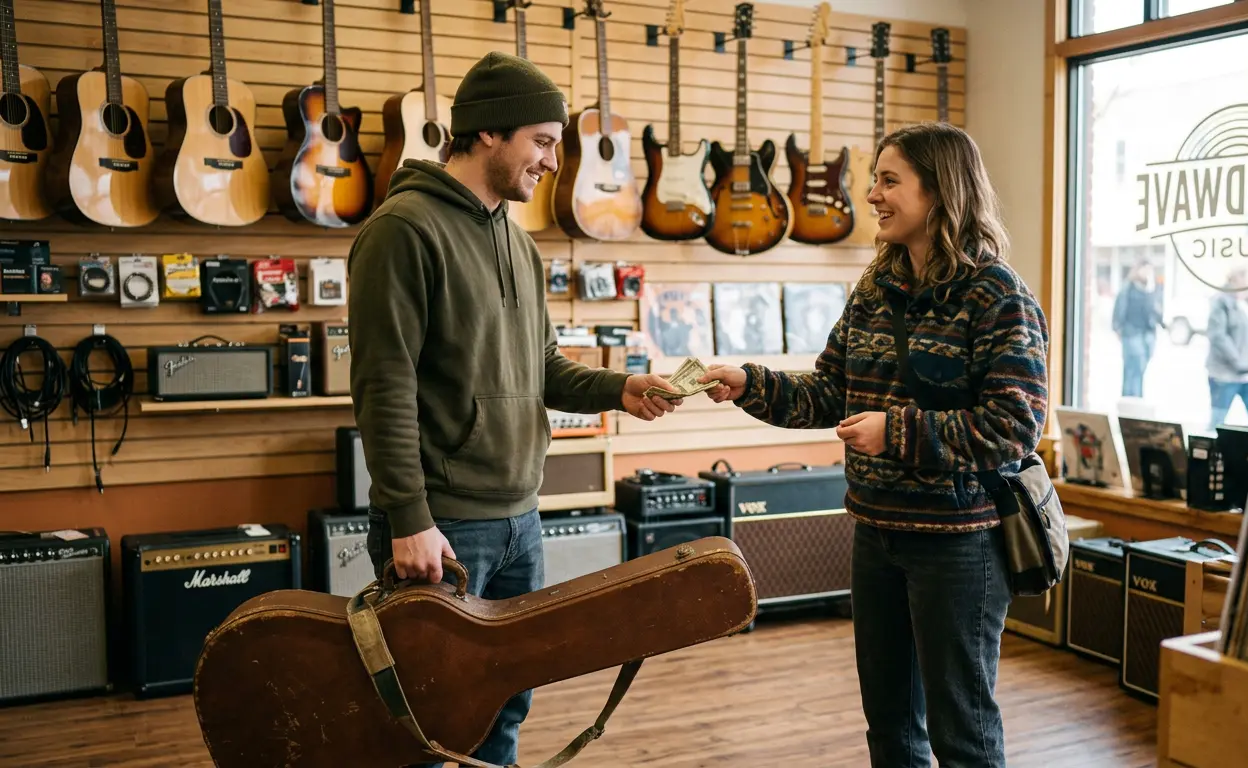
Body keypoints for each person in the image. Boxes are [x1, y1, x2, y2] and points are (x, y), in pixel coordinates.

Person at [346, 51, 680, 766]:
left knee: (506, 706)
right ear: (489, 132)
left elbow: (543, 368)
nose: (553, 162)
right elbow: (384, 387)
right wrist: (409, 518)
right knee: (427, 720)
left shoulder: (518, 241)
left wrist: (619, 389)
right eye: (542, 141)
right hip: (443, 526)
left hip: (521, 519)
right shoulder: (402, 230)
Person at [699, 122, 1049, 768]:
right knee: (889, 729)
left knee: (963, 738)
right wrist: (750, 383)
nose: (872, 195)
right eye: (874, 180)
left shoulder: (998, 296)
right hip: (875, 536)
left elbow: (1014, 426)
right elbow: (829, 392)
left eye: (889, 181)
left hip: (959, 547)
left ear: (939, 191)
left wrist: (896, 432)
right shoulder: (875, 286)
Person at [1205, 264, 1248, 428]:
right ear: (1239, 279)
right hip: (1226, 375)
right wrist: (1237, 361)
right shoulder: (1221, 301)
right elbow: (1217, 336)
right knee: (1217, 423)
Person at [1112, 259, 1162, 398]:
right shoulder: (1128, 288)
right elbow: (1119, 309)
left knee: (1140, 370)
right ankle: (1132, 399)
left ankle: (1135, 398)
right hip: (1132, 332)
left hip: (1148, 334)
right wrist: (1118, 328)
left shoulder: (1151, 289)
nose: (1148, 273)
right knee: (1134, 369)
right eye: (1145, 269)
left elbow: (1155, 311)